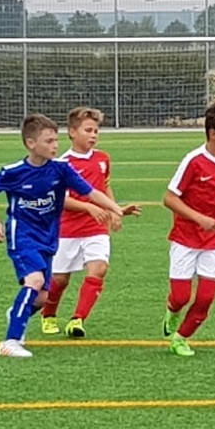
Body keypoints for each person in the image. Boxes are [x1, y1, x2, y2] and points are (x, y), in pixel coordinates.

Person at [0, 114, 123, 358]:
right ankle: (10, 342)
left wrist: (116, 209)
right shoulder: (13, 172)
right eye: (49, 141)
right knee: (34, 281)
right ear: (31, 143)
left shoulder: (61, 169)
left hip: (48, 237)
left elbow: (91, 192)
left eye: (56, 140)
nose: (55, 145)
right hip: (22, 235)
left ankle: (18, 313)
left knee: (42, 298)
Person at [40, 107, 141, 338]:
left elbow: (104, 187)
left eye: (96, 130)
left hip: (96, 227)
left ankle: (77, 319)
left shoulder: (102, 159)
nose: (93, 135)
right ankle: (48, 314)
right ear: (72, 132)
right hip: (67, 230)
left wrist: (114, 211)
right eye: (88, 130)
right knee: (59, 279)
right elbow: (60, 200)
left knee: (99, 269)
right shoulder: (61, 164)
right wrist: (89, 207)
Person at [162, 102, 215, 357]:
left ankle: (180, 338)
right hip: (185, 239)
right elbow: (169, 198)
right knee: (181, 297)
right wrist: (199, 218)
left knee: (206, 298)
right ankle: (172, 310)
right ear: (213, 134)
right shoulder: (194, 161)